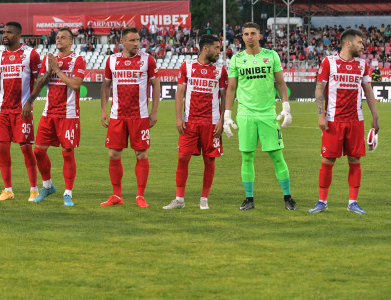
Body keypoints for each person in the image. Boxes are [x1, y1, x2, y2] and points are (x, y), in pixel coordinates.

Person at [223, 22, 296, 211]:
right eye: (246, 34)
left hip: (268, 114)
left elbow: (280, 83)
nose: (249, 37)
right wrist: (227, 115)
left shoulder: (271, 56)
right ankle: (249, 199)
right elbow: (231, 88)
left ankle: (288, 198)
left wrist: (286, 107)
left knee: (277, 157)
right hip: (245, 115)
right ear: (242, 36)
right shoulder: (237, 59)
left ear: (260, 35)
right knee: (247, 158)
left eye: (253, 33)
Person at [309, 28, 379, 214]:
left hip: (356, 120)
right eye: (359, 42)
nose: (362, 45)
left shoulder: (362, 64)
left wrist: (375, 116)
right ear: (348, 43)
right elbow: (319, 89)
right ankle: (322, 202)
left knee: (355, 160)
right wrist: (320, 115)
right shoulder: (329, 62)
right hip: (333, 120)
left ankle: (353, 202)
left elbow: (369, 91)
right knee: (327, 160)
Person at [22, 28, 85, 207]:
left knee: (67, 153)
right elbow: (39, 83)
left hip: (68, 114)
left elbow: (75, 84)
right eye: (57, 37)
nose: (59, 40)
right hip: (49, 112)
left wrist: (58, 70)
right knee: (39, 151)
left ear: (71, 42)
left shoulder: (77, 60)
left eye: (63, 37)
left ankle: (68, 192)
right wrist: (50, 71)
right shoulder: (49, 59)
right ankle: (48, 186)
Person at [164, 35, 227, 210]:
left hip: (211, 123)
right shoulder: (188, 66)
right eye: (216, 48)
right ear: (205, 48)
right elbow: (180, 92)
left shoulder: (220, 70)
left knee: (209, 160)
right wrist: (178, 117)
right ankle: (179, 199)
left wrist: (222, 120)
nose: (218, 51)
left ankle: (204, 199)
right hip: (190, 121)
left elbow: (225, 97)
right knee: (183, 157)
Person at [100, 27, 160, 208]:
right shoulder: (111, 60)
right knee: (113, 154)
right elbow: (105, 86)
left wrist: (154, 111)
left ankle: (140, 195)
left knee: (141, 154)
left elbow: (156, 84)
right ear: (122, 42)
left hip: (139, 115)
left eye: (137, 40)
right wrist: (103, 110)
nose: (136, 44)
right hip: (117, 115)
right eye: (132, 40)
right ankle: (116, 195)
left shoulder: (147, 59)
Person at [0, 21, 42, 201]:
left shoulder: (31, 54)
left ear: (19, 35)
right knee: (3, 149)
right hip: (2, 110)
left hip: (22, 111)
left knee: (27, 149)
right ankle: (8, 190)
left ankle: (34, 189)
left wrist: (30, 102)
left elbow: (39, 81)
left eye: (9, 33)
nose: (5, 35)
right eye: (4, 32)